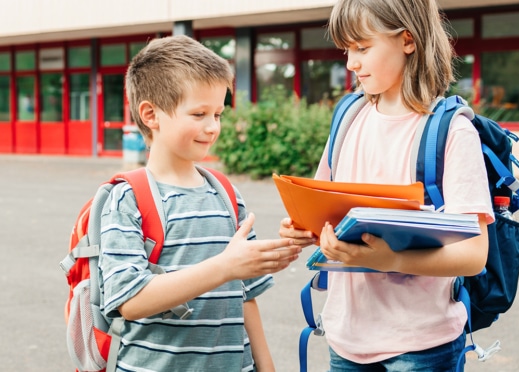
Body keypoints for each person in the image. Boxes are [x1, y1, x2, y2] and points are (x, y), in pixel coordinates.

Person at [279, 0, 495, 371]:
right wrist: (306, 228)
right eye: (347, 49)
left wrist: (391, 260)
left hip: (421, 345)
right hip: (346, 338)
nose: (351, 63)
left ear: (407, 41)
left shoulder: (451, 131)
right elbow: (322, 203)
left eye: (363, 48)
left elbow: (475, 256)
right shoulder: (348, 117)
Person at [98, 35, 304, 372]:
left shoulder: (224, 191)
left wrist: (266, 367)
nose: (212, 127)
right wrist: (226, 266)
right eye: (198, 114)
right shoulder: (129, 197)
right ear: (151, 114)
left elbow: (245, 296)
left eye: (218, 114)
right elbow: (131, 301)